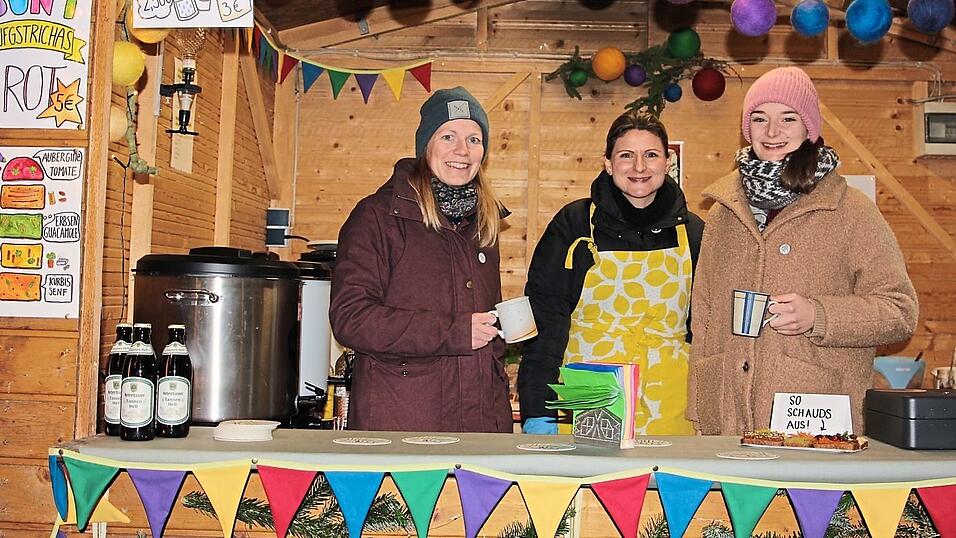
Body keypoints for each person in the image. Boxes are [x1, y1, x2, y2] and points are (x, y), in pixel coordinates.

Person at [686, 67, 919, 435]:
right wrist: (701, 408)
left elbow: (900, 311)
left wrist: (818, 315)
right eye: (760, 119)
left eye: (788, 119)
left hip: (819, 429)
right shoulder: (722, 212)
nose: (772, 132)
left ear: (809, 127)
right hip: (729, 422)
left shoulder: (851, 210)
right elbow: (704, 318)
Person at [330, 87, 512, 433]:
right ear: (425, 145)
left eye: (474, 139)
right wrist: (456, 331)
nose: (463, 150)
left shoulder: (483, 220)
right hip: (403, 423)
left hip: (482, 423)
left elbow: (481, 326)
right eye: (449, 136)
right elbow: (350, 319)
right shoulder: (378, 217)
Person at [518, 111, 704, 435]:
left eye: (651, 155)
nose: (639, 167)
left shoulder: (694, 232)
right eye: (626, 156)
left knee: (670, 486)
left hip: (672, 401)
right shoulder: (575, 224)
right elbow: (546, 317)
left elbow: (707, 328)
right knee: (596, 483)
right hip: (591, 395)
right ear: (608, 163)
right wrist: (538, 406)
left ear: (667, 162)